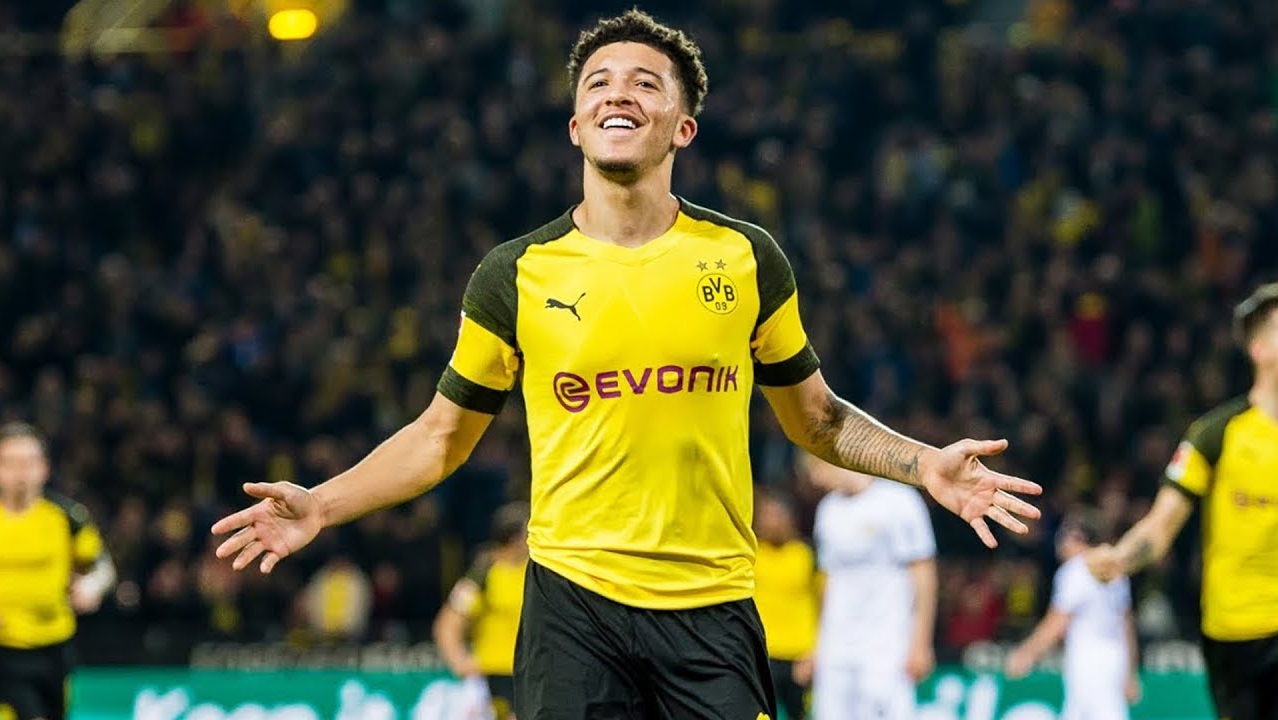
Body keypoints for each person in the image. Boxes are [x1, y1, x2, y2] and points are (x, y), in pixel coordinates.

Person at [211, 10, 1041, 718]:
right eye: (598, 82)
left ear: (683, 127)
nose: (618, 92)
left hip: (714, 609)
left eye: (645, 83)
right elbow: (438, 439)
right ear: (576, 125)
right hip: (573, 609)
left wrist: (924, 464)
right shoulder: (514, 275)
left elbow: (817, 419)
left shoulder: (747, 259)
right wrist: (322, 504)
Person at [1088, 282, 1278, 720]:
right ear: (1259, 350)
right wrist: (1121, 557)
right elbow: (1161, 527)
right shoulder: (1216, 435)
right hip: (1236, 632)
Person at [804, 454, 937, 719]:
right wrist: (817, 643)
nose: (816, 480)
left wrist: (921, 642)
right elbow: (828, 581)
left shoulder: (899, 500)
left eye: (816, 470)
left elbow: (923, 572)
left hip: (887, 640)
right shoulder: (828, 509)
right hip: (836, 643)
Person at [0, 422, 115, 720]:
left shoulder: (67, 517)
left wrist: (91, 586)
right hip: (5, 648)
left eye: (28, 463)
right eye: (11, 463)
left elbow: (102, 567)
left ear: (44, 468)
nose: (20, 473)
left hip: (55, 645)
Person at [1005, 511, 1140, 720]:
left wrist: (1027, 653)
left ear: (1078, 538)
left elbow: (1058, 621)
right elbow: (1126, 624)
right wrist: (1130, 671)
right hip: (1115, 658)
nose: (1059, 542)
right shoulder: (1116, 571)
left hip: (1088, 659)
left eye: (1064, 535)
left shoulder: (1076, 569)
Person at [434, 502, 530, 720]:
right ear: (515, 539)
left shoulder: (534, 572)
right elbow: (448, 622)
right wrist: (459, 661)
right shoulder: (483, 574)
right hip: (495, 676)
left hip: (530, 674)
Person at [752, 490, 819, 720]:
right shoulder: (751, 554)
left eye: (777, 516)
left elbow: (824, 604)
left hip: (798, 655)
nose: (772, 523)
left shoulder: (806, 554)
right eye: (767, 516)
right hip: (762, 655)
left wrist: (814, 652)